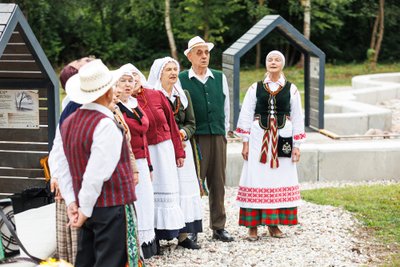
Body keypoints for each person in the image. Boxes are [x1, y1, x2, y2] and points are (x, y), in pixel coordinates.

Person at [56, 59, 141, 267]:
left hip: (86, 204)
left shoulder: (68, 122)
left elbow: (62, 166)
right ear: (106, 93)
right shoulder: (105, 124)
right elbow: (96, 174)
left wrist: (72, 203)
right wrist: (82, 209)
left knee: (87, 261)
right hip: (111, 207)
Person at [235, 50, 306, 240]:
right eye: (269, 60)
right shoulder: (255, 88)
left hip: (283, 138)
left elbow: (298, 116)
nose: (273, 62)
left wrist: (297, 145)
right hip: (259, 139)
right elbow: (247, 113)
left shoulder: (291, 89)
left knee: (278, 178)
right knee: (255, 177)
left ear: (282, 64)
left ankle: (273, 224)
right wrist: (245, 142)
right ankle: (252, 226)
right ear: (266, 64)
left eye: (277, 60)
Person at [122, 63, 189, 253]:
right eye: (127, 78)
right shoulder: (127, 103)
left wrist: (179, 152)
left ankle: (171, 233)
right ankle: (152, 238)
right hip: (146, 152)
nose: (132, 81)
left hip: (165, 150)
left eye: (135, 76)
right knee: (147, 195)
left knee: (167, 191)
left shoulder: (156, 95)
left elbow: (172, 125)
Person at [179, 36, 234, 242]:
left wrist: (224, 132)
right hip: (195, 138)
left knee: (218, 182)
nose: (204, 56)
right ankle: (191, 227)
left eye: (207, 52)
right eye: (199, 53)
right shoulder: (183, 79)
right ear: (190, 56)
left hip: (217, 135)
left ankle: (218, 227)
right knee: (193, 183)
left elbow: (226, 106)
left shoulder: (219, 77)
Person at [148, 57, 203, 249]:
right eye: (168, 70)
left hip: (182, 148)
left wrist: (182, 134)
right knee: (164, 188)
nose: (172, 73)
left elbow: (192, 123)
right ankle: (158, 234)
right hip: (162, 151)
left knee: (184, 189)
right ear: (159, 73)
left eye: (174, 69)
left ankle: (183, 235)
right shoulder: (152, 95)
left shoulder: (183, 94)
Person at [48, 56, 94, 265]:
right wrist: (56, 173)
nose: (88, 60)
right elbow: (61, 143)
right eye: (82, 61)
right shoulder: (72, 104)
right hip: (77, 174)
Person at [116, 65, 158, 258]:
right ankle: (134, 247)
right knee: (135, 204)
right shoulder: (115, 107)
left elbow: (145, 137)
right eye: (123, 81)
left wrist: (148, 164)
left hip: (142, 160)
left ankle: (147, 246)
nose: (127, 84)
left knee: (147, 203)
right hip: (127, 163)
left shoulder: (135, 103)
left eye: (130, 81)